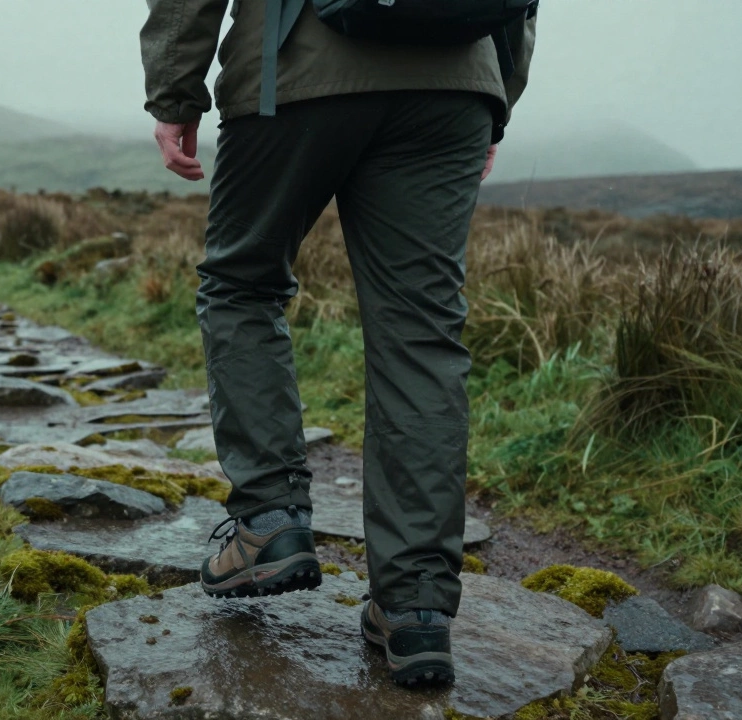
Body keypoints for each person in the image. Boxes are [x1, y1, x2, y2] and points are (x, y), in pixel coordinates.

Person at [140, 0, 536, 687]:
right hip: (454, 76)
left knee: (242, 285)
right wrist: (496, 88)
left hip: (291, 66)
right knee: (422, 334)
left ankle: (270, 519)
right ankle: (415, 609)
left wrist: (176, 89)